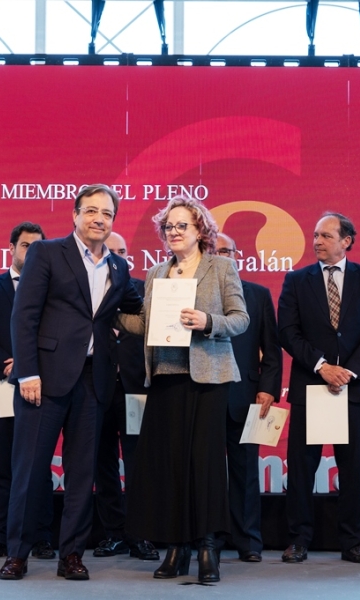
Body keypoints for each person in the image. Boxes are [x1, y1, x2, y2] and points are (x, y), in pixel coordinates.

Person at [1, 185, 142, 581]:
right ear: (75, 215)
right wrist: (27, 372)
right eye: (92, 211)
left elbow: (136, 303)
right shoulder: (47, 253)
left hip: (94, 381)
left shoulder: (119, 267)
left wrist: (179, 293)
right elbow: (23, 315)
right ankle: (17, 554)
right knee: (29, 470)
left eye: (108, 214)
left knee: (83, 473)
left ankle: (72, 555)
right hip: (43, 379)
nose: (100, 219)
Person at [119, 196, 249, 584]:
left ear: (200, 231)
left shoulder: (221, 267)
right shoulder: (157, 273)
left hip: (209, 378)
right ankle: (177, 547)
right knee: (170, 466)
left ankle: (208, 548)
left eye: (182, 226)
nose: (174, 233)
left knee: (205, 466)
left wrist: (207, 320)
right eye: (168, 227)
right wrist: (105, 313)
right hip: (166, 377)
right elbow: (147, 324)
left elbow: (240, 319)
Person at [278, 212, 360, 565]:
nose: (317, 241)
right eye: (315, 235)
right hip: (312, 385)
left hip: (354, 389)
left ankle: (352, 542)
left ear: (346, 241)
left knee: (353, 467)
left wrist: (350, 371)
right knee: (301, 467)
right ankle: (298, 539)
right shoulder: (296, 280)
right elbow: (288, 332)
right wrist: (323, 367)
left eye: (325, 235)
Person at [0, 222, 56, 560]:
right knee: (0, 465)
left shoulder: (53, 290)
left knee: (38, 466)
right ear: (12, 248)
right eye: (24, 246)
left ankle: (42, 537)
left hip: (41, 387)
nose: (30, 252)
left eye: (37, 247)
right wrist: (8, 364)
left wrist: (30, 369)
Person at [215, 233, 282, 562]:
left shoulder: (257, 294)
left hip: (247, 398)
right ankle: (209, 539)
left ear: (238, 255)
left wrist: (268, 386)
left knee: (245, 473)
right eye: (216, 251)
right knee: (207, 475)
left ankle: (249, 542)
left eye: (228, 250)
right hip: (205, 397)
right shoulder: (197, 295)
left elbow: (272, 349)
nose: (223, 255)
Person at [92, 232, 159, 562]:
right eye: (110, 251)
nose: (116, 256)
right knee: (102, 464)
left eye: (121, 251)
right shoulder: (89, 293)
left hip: (137, 390)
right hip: (98, 388)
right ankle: (113, 533)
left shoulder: (144, 294)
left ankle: (140, 535)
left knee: (139, 465)